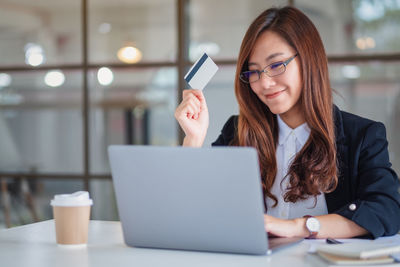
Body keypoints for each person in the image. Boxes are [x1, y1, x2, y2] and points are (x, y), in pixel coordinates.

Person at [174, 6, 400, 239]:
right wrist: (193, 139)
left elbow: (387, 210)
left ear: (308, 61)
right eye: (254, 72)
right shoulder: (237, 131)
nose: (265, 83)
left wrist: (297, 227)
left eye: (276, 65)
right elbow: (195, 208)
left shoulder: (361, 136)